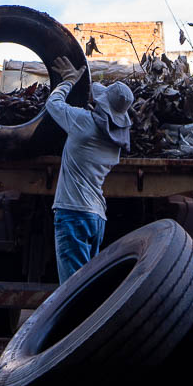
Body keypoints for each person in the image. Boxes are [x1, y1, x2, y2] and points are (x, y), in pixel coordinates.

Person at [46, 55, 134, 283]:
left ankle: (77, 320)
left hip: (73, 213)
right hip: (96, 217)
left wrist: (68, 80)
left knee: (74, 288)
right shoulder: (115, 142)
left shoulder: (83, 123)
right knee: (87, 284)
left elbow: (53, 104)